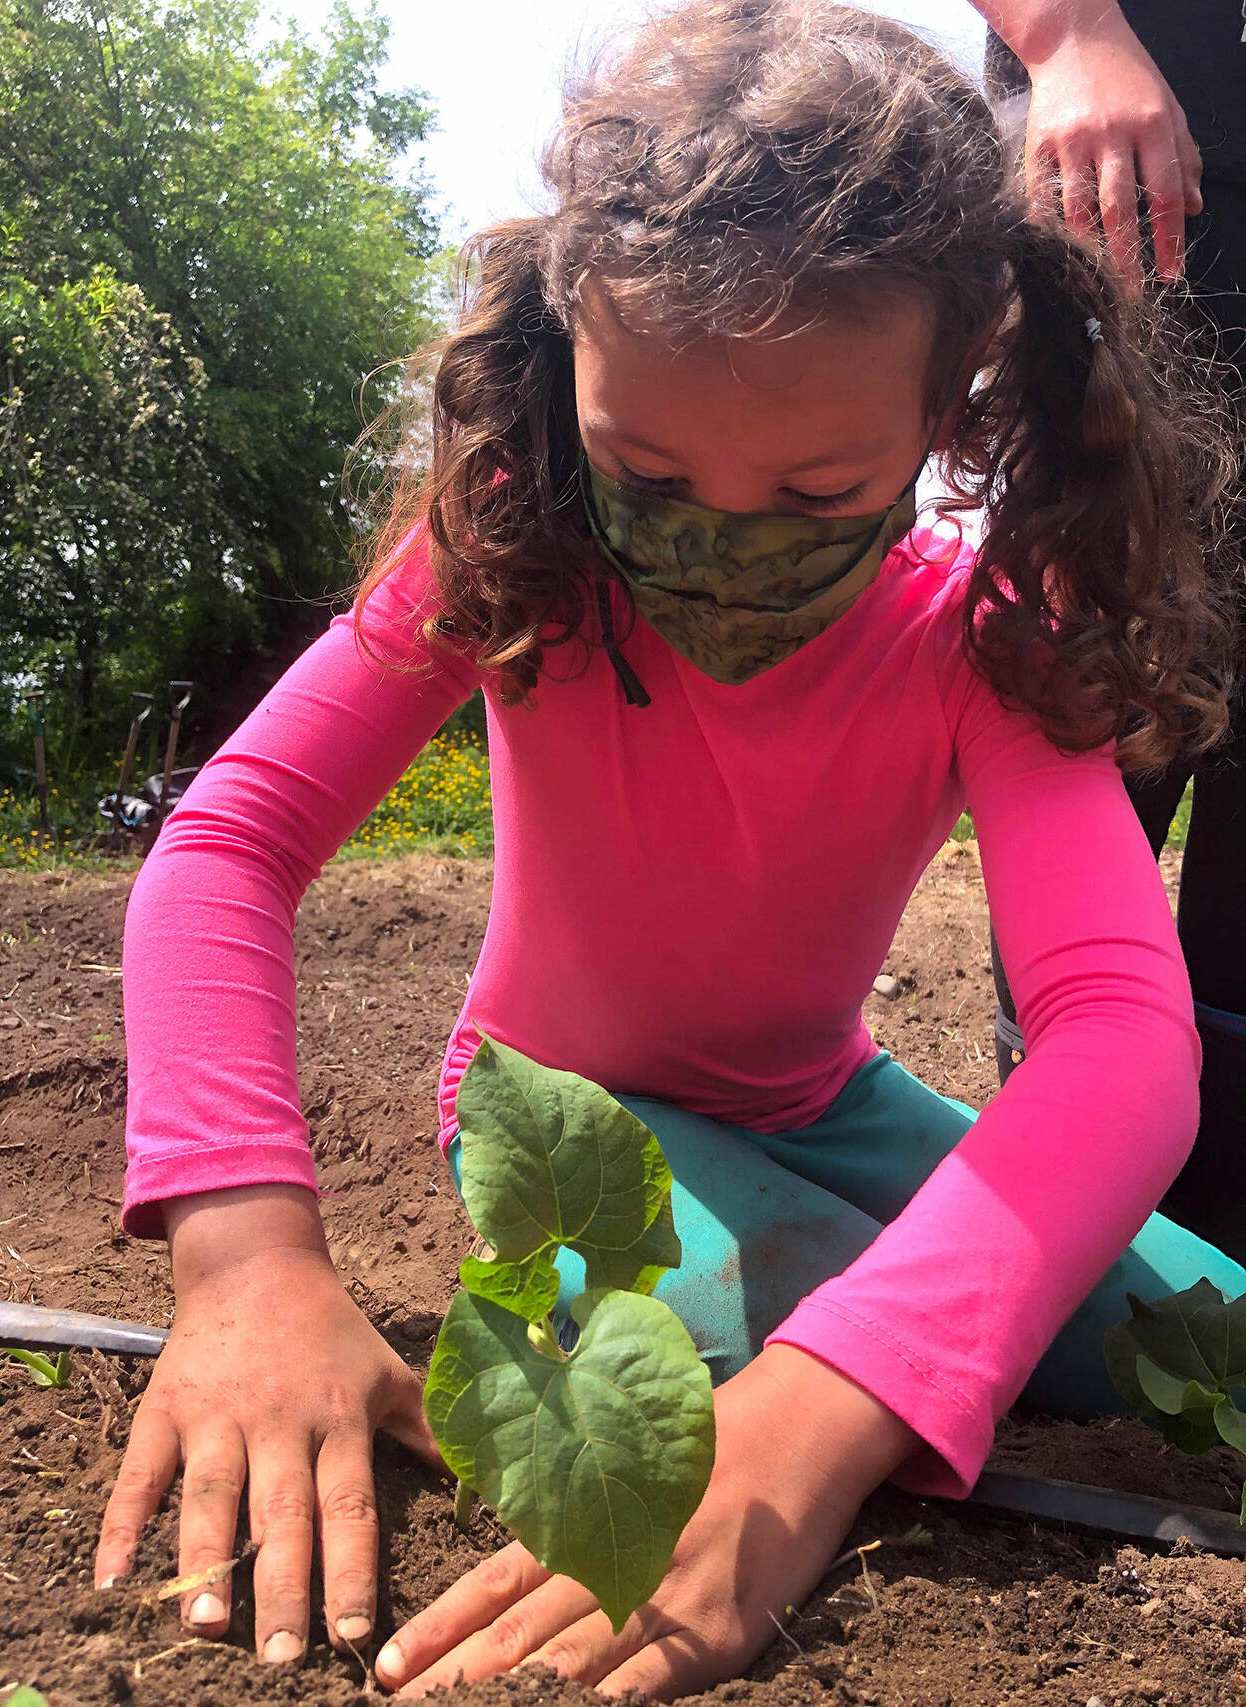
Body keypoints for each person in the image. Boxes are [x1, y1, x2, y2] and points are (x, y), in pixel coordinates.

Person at [95, 2, 1244, 1698]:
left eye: (814, 491)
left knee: (1196, 1334)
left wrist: (833, 1408)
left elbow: (1123, 1038)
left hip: (829, 1096)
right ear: (568, 367)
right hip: (555, 1112)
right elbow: (234, 842)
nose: (717, 543)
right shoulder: (514, 548)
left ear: (941, 420)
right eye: (647, 466)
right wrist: (248, 1254)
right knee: (780, 1313)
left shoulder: (987, 633)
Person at [973, 0, 1246, 1262]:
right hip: (1130, 176)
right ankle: (1064, 1205)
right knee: (1103, 690)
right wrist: (1065, 29)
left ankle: (1215, 1242)